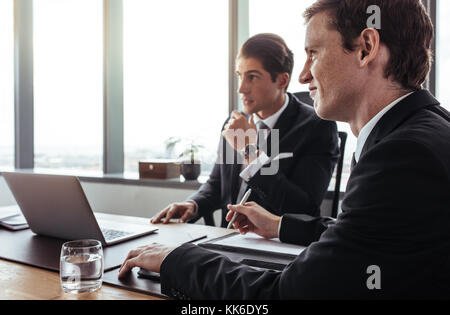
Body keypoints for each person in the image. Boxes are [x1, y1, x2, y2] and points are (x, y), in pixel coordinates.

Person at [119, 0, 450, 299]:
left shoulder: (400, 154)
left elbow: (289, 294)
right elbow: (361, 231)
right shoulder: (422, 130)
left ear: (366, 48)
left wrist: (179, 259)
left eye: (314, 53)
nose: (305, 75)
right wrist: (278, 225)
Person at [151, 33, 339, 227]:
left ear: (282, 81)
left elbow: (303, 207)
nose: (241, 88)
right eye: (240, 76)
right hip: (227, 238)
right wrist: (193, 204)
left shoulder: (317, 127)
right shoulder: (234, 124)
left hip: (278, 245)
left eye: (252, 77)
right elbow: (217, 185)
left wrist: (249, 151)